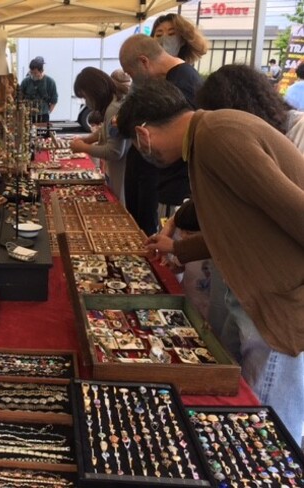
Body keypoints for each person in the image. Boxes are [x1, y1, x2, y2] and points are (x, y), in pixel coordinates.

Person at [118, 78, 304, 444]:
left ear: (143, 135)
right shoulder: (207, 137)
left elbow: (293, 212)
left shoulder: (218, 136)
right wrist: (179, 250)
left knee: (267, 435)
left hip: (280, 306)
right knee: (246, 421)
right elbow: (243, 226)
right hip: (261, 296)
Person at [119, 34, 202, 226]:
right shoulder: (176, 77)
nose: (132, 80)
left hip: (171, 186)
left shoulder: (182, 83)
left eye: (130, 73)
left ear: (144, 62)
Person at [70, 67, 130, 202]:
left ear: (94, 92)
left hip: (122, 171)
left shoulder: (113, 108)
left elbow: (114, 152)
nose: (86, 102)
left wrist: (83, 148)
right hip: (117, 170)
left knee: (119, 203)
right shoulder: (113, 103)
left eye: (85, 97)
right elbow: (106, 129)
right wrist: (89, 139)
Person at [19, 56, 58, 124]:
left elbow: (54, 99)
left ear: (41, 71)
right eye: (31, 72)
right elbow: (19, 97)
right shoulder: (25, 81)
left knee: (43, 130)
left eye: (35, 73)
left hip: (43, 115)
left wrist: (48, 111)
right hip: (28, 115)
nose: (33, 75)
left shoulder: (50, 82)